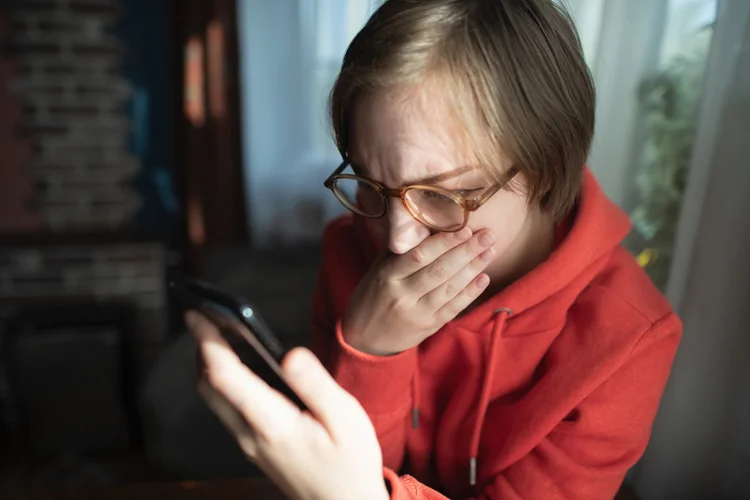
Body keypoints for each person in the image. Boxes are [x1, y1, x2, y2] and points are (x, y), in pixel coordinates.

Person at [187, 0, 683, 498]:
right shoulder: (351, 249)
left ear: (547, 171)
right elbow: (355, 458)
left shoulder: (631, 335)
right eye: (370, 184)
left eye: (443, 197)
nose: (398, 239)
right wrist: (370, 352)